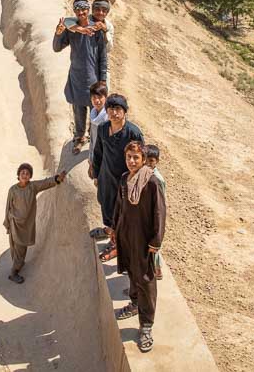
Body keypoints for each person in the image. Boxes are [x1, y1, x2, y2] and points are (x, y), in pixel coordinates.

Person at [113, 140, 166, 353]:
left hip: (144, 239)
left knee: (146, 280)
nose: (132, 161)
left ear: (143, 160)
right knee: (132, 273)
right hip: (126, 235)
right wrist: (114, 230)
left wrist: (156, 241)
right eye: (129, 157)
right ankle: (134, 303)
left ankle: (146, 326)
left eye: (136, 158)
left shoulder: (151, 182)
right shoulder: (125, 179)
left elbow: (159, 213)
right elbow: (120, 205)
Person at [90, 94, 144, 261]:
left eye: (118, 109)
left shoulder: (133, 133)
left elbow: (142, 158)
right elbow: (98, 153)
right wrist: (97, 174)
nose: (114, 113)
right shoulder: (103, 129)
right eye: (110, 109)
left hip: (124, 181)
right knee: (106, 204)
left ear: (124, 112)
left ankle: (117, 243)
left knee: (121, 210)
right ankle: (110, 230)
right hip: (106, 177)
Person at [53, 0, 108, 153]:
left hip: (93, 78)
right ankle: (79, 138)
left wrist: (103, 79)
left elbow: (103, 57)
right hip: (77, 77)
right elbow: (57, 48)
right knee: (78, 109)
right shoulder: (71, 29)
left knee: (95, 110)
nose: (81, 12)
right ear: (75, 11)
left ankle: (93, 139)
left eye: (84, 9)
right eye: (78, 10)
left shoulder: (96, 30)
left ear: (88, 10)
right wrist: (58, 34)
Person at [3, 163, 67, 284]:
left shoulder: (32, 187)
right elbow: (8, 207)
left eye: (27, 173)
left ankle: (18, 265)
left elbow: (44, 183)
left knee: (22, 247)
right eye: (22, 173)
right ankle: (13, 273)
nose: (25, 175)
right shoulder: (13, 190)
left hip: (26, 225)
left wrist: (57, 179)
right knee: (17, 248)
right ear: (18, 175)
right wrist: (7, 223)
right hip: (15, 223)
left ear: (30, 176)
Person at [87, 80, 110, 240]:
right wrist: (90, 161)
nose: (97, 100)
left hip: (105, 165)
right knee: (102, 197)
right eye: (94, 97)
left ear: (105, 97)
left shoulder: (107, 119)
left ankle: (110, 231)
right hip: (96, 162)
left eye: (100, 97)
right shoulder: (94, 114)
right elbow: (93, 140)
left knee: (107, 198)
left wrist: (100, 169)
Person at [143, 143, 166, 280]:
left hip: (153, 218)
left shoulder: (157, 180)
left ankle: (156, 270)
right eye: (145, 160)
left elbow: (160, 205)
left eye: (151, 161)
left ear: (157, 161)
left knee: (153, 247)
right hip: (146, 216)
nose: (148, 163)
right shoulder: (144, 174)